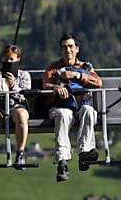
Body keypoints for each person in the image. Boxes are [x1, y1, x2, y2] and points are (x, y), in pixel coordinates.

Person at [43, 32, 103, 182]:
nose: (67, 50)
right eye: (64, 47)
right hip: (61, 106)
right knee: (64, 115)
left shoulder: (86, 66)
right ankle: (62, 161)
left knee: (89, 111)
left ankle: (84, 152)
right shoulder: (54, 68)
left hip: (81, 105)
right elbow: (46, 84)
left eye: (70, 46)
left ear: (77, 49)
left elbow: (98, 82)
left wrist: (77, 76)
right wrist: (56, 87)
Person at [0, 44, 32, 173]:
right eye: (6, 59)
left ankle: (20, 153)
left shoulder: (24, 75)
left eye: (11, 60)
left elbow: (26, 92)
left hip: (16, 105)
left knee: (21, 116)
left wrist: (13, 85)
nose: (8, 62)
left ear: (18, 60)